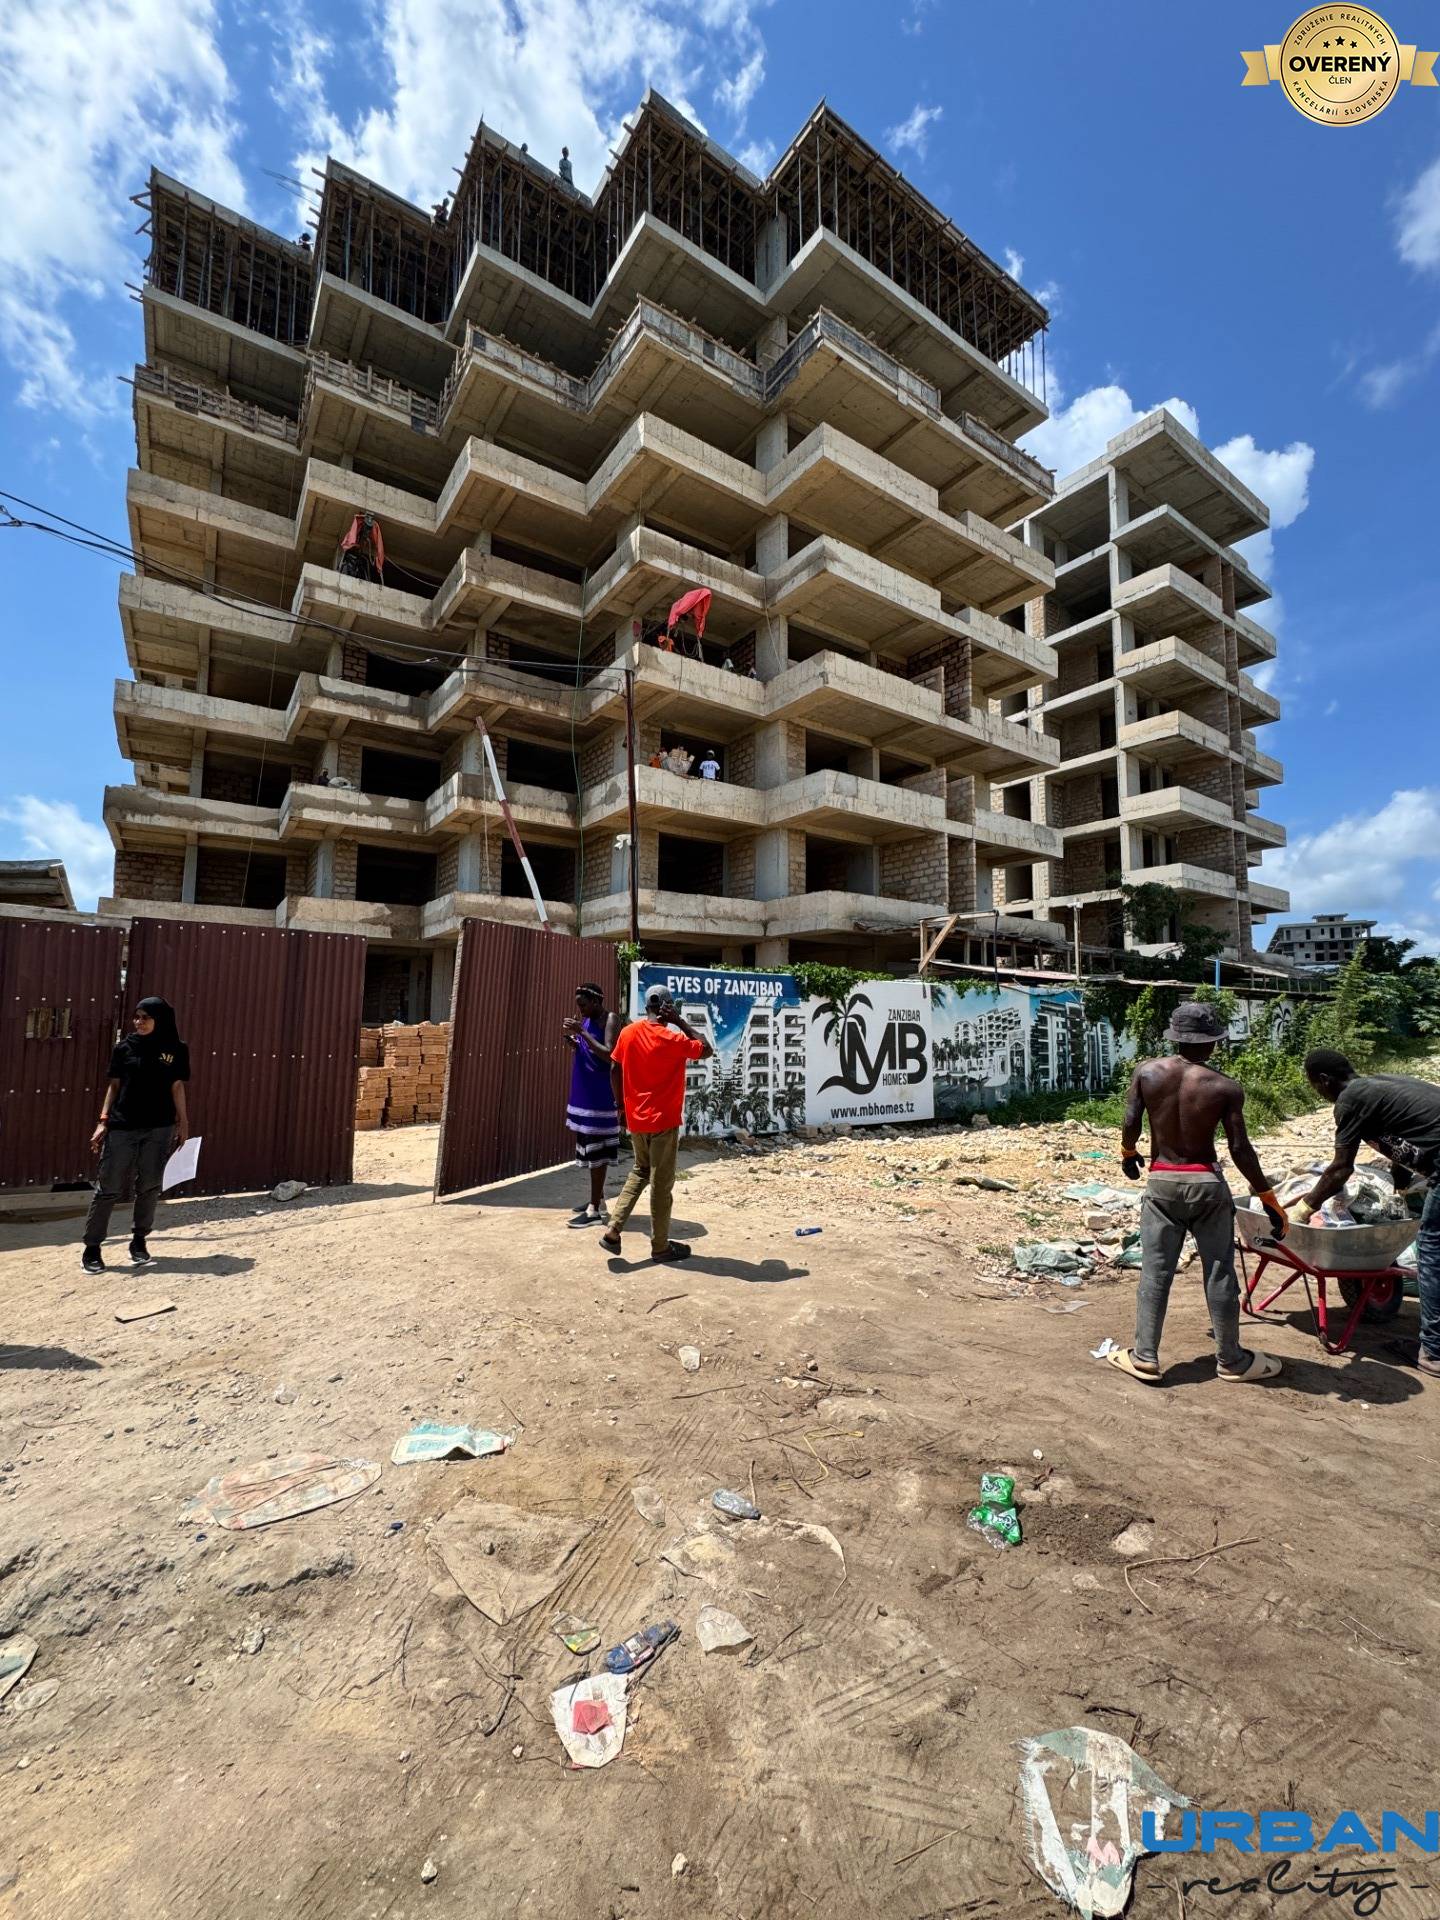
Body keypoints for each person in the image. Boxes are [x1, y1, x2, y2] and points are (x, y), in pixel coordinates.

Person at [1106, 1001, 1287, 1386]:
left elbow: (1130, 1120)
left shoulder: (1147, 1073)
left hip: (1163, 1182)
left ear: (1175, 1038)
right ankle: (1232, 1360)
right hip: (1206, 1184)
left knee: (1156, 1272)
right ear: (1212, 1043)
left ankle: (1145, 1358)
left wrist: (1128, 1152)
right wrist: (1268, 1199)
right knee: (1219, 1270)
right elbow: (1240, 1149)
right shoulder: (1224, 1086)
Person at [1296, 1049, 1440, 1377]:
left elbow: (1340, 1169)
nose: (1319, 1092)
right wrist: (1401, 1187)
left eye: (1315, 1087)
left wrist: (1306, 1208)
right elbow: (1409, 1141)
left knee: (1431, 1250)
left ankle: (1434, 1351)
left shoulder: (1350, 1099)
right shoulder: (1379, 1087)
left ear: (1324, 1080)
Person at [601, 987, 712, 1262]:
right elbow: (706, 1050)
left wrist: (620, 1107)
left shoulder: (628, 1033)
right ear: (667, 1007)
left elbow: (614, 1067)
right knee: (661, 1185)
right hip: (663, 1122)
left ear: (646, 1006)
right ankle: (660, 1247)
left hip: (636, 1120)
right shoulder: (672, 1038)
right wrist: (680, 1022)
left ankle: (613, 1231)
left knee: (639, 1172)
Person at [82, 997, 190, 1275]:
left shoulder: (176, 1050)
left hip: (159, 1128)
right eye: (137, 1017)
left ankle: (139, 1241)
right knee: (109, 1187)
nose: (139, 1022)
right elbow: (114, 1087)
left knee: (150, 1186)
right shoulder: (124, 1048)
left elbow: (176, 1087)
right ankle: (92, 1248)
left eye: (145, 1017)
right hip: (122, 1126)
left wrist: (184, 1122)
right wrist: (103, 1120)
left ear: (160, 1020)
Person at [563, 982, 621, 1227]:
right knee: (588, 1151)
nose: (580, 1010)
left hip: (600, 1098)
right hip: (584, 1096)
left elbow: (609, 1053)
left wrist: (582, 1032)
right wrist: (577, 1044)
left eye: (583, 1005)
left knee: (598, 1153)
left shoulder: (610, 1019)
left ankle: (594, 1211)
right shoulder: (586, 1019)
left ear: (596, 1002)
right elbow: (591, 1050)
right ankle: (596, 1199)